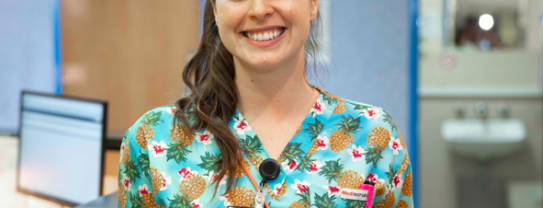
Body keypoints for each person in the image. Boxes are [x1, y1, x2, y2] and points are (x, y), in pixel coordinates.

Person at [117, 0, 414, 207]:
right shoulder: (152, 141)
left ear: (312, 3)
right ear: (216, 11)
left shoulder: (375, 137)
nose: (259, 9)